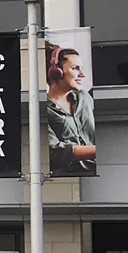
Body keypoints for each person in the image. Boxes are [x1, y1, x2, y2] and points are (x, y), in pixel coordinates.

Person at [44, 45, 97, 176]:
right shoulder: (43, 109)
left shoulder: (84, 98)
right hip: (69, 178)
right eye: (75, 69)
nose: (82, 74)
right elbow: (55, 151)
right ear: (56, 72)